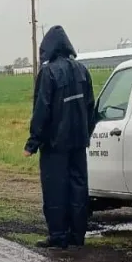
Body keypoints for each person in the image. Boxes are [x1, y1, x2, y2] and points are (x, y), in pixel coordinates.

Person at [23, 26, 96, 250]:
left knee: (56, 189)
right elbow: (91, 107)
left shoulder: (48, 73)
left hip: (55, 144)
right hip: (78, 143)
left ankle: (58, 236)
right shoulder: (83, 70)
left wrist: (33, 143)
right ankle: (77, 235)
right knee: (78, 188)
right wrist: (86, 133)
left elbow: (42, 109)